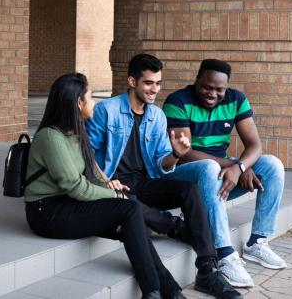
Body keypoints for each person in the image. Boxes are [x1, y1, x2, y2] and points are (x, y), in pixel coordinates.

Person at [86, 54, 241, 299]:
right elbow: (88, 155)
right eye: (148, 83)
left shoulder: (157, 116)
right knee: (130, 204)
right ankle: (173, 227)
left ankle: (208, 270)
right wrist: (106, 181)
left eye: (158, 83)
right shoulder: (107, 110)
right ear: (132, 81)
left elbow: (160, 162)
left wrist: (176, 155)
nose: (154, 89)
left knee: (188, 189)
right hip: (113, 184)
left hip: (144, 181)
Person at [25, 73, 187, 299]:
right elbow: (77, 187)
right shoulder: (51, 137)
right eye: (90, 98)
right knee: (128, 208)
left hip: (69, 204)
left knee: (131, 219)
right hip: (46, 212)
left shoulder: (76, 131)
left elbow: (92, 171)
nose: (94, 103)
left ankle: (163, 290)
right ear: (78, 103)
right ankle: (159, 289)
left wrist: (112, 187)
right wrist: (114, 195)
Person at [162, 59, 286, 288]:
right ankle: (224, 253)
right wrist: (234, 165)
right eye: (207, 87)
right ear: (197, 81)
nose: (212, 94)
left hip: (219, 174)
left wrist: (240, 167)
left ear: (226, 87)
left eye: (219, 89)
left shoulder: (236, 100)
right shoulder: (177, 101)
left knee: (272, 165)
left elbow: (255, 145)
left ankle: (257, 242)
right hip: (182, 176)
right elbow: (184, 153)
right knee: (209, 167)